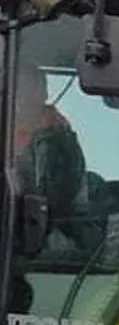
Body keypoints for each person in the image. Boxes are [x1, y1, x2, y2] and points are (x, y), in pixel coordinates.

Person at [12, 57, 87, 244]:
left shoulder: (56, 141)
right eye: (16, 88)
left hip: (34, 233)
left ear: (43, 94)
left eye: (29, 90)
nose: (22, 97)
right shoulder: (8, 130)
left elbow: (51, 200)